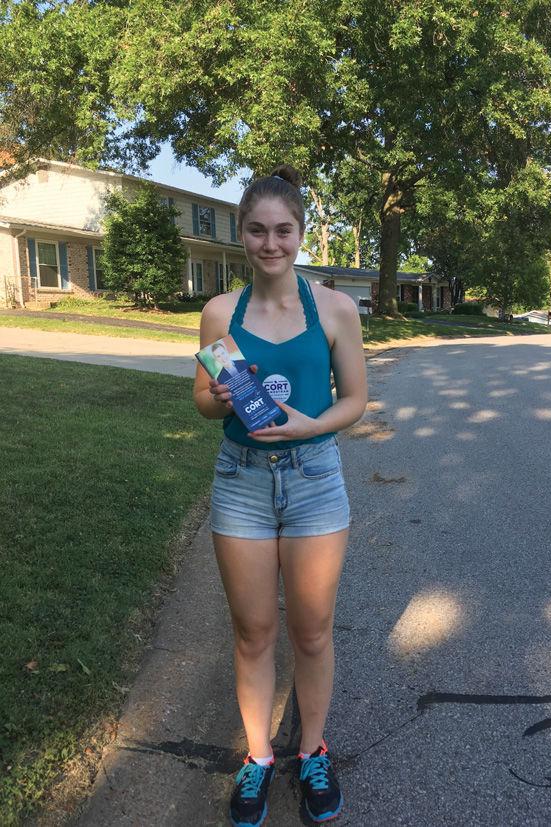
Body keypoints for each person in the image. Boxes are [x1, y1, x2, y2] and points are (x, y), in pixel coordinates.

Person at [193, 164, 367, 826]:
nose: (272, 244)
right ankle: (259, 757)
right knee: (254, 630)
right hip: (240, 480)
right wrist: (217, 391)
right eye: (259, 231)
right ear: (242, 234)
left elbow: (355, 400)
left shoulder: (335, 308)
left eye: (284, 230)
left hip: (315, 475)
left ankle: (313, 749)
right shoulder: (218, 313)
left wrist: (308, 423)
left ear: (302, 232)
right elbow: (205, 405)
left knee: (313, 630)